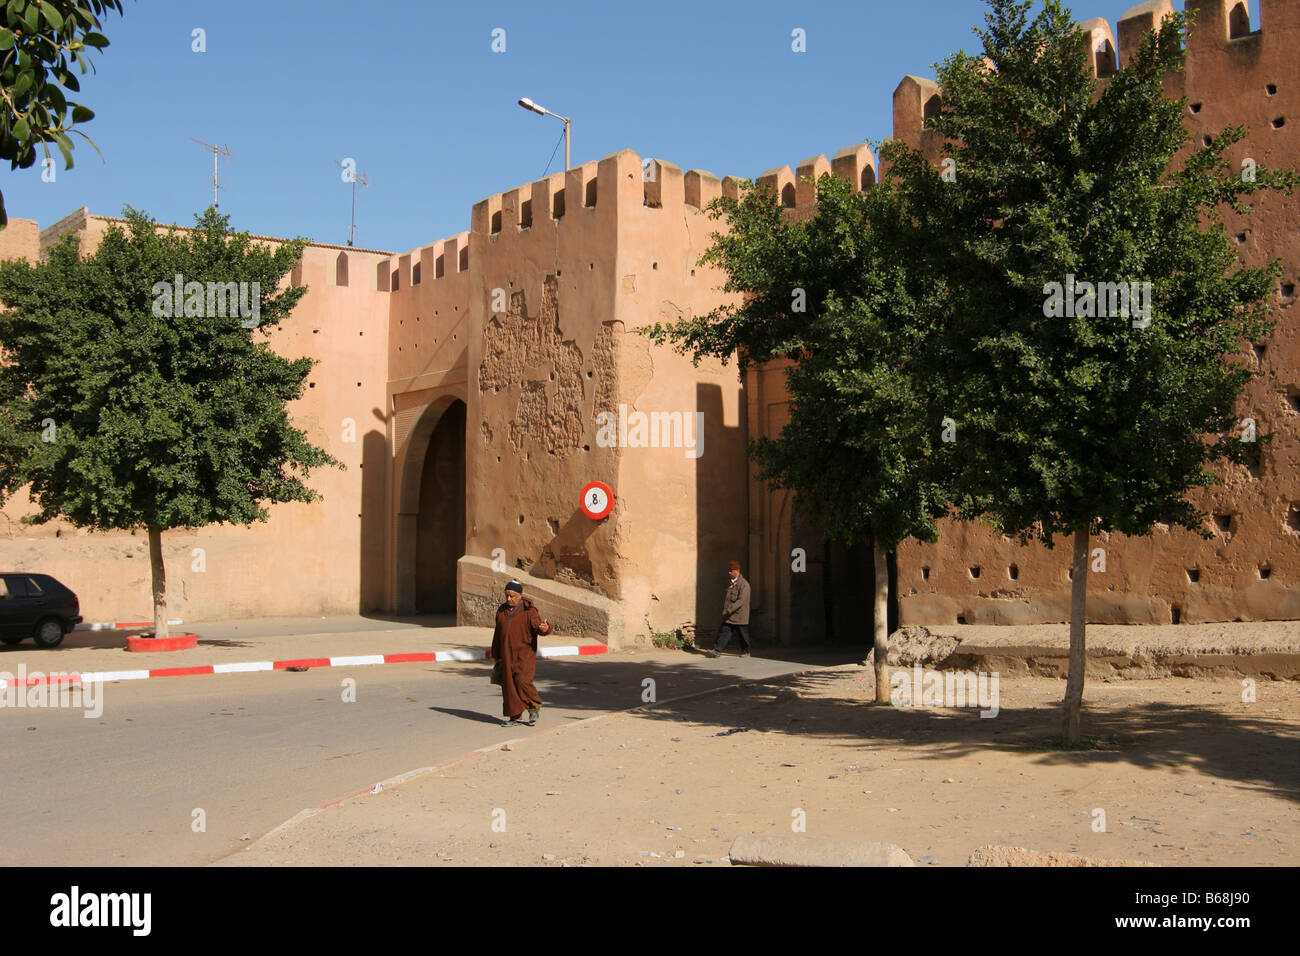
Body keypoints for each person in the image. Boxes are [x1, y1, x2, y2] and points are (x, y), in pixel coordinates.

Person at [491, 579, 552, 727]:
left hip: (524, 655)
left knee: (522, 681)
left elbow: (539, 628)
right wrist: (496, 654)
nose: (508, 599)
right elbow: (498, 633)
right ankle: (514, 717)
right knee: (509, 686)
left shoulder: (529, 611)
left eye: (512, 595)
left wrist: (545, 629)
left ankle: (534, 707)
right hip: (506, 655)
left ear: (519, 596)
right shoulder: (501, 611)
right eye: (506, 595)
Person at [707, 561, 751, 658]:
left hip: (740, 615)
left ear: (737, 571)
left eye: (731, 571)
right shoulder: (732, 584)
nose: (729, 572)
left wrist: (730, 609)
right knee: (724, 632)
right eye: (729, 570)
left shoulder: (744, 584)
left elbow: (741, 600)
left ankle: (746, 651)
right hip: (730, 615)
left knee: (742, 635)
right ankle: (717, 650)